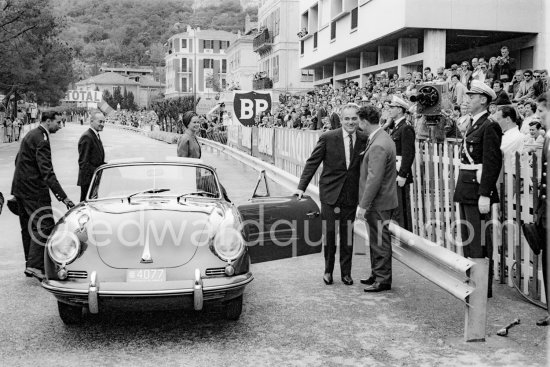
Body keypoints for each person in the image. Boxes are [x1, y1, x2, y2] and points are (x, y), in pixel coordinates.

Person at [295, 103, 367, 286]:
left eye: (354, 118)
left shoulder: (364, 139)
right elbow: (312, 162)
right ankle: (328, 270)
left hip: (351, 195)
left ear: (358, 120)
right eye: (347, 118)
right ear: (341, 120)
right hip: (330, 194)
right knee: (329, 234)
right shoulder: (328, 137)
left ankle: (346, 273)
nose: (350, 122)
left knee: (347, 235)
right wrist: (301, 187)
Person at [453, 80, 502, 298]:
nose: (468, 99)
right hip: (466, 188)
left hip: (476, 190)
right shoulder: (475, 123)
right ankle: (473, 278)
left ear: (483, 100)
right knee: (468, 238)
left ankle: (482, 286)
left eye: (472, 96)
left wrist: (485, 193)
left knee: (478, 240)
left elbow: (492, 163)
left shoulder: (489, 125)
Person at [11, 111, 75, 280]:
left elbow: (18, 160)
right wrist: (64, 197)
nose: (60, 126)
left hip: (20, 189)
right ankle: (35, 266)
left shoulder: (31, 135)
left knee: (28, 227)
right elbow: (47, 172)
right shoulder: (42, 140)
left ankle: (30, 263)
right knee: (45, 225)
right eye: (58, 122)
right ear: (48, 121)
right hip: (33, 191)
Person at [356, 105, 398, 292]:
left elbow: (374, 178)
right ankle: (377, 273)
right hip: (380, 201)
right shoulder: (381, 138)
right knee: (375, 239)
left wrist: (363, 205)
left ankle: (382, 278)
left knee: (380, 240)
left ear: (364, 121)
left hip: (378, 202)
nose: (358, 124)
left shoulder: (379, 143)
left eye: (358, 121)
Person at [388, 96, 415, 231]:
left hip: (400, 173)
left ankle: (405, 235)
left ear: (399, 110)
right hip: (394, 171)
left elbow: (408, 153)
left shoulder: (406, 128)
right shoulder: (397, 127)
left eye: (392, 108)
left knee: (402, 207)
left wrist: (403, 174)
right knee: (396, 207)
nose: (390, 110)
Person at [77, 111, 106, 202]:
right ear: (92, 121)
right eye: (100, 122)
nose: (102, 124)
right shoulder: (87, 137)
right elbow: (83, 163)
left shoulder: (95, 135)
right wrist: (96, 172)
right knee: (86, 206)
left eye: (104, 122)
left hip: (93, 179)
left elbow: (96, 159)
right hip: (88, 181)